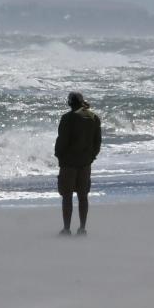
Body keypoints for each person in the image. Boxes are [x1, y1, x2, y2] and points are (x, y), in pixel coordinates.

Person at [54, 92, 102, 236]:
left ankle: (67, 229)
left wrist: (59, 156)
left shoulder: (68, 118)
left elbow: (61, 142)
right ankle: (82, 228)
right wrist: (91, 157)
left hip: (69, 163)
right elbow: (97, 142)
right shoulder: (93, 117)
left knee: (67, 196)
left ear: (70, 103)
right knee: (83, 196)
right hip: (85, 163)